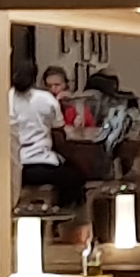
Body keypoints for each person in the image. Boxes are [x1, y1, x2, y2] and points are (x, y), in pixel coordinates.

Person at [11, 57, 85, 215]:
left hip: (14, 167)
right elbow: (59, 135)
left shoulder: (4, 98)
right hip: (42, 164)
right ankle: (62, 218)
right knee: (74, 178)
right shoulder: (46, 99)